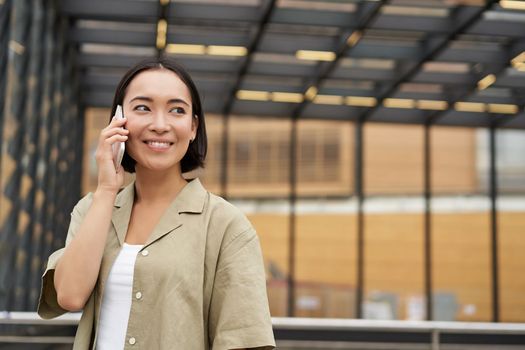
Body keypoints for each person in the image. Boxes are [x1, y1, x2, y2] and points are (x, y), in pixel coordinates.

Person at [37, 57, 276, 350]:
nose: (160, 125)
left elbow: (244, 341)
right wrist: (107, 189)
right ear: (118, 120)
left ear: (193, 127)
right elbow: (70, 296)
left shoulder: (225, 225)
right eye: (143, 108)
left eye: (177, 110)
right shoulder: (93, 208)